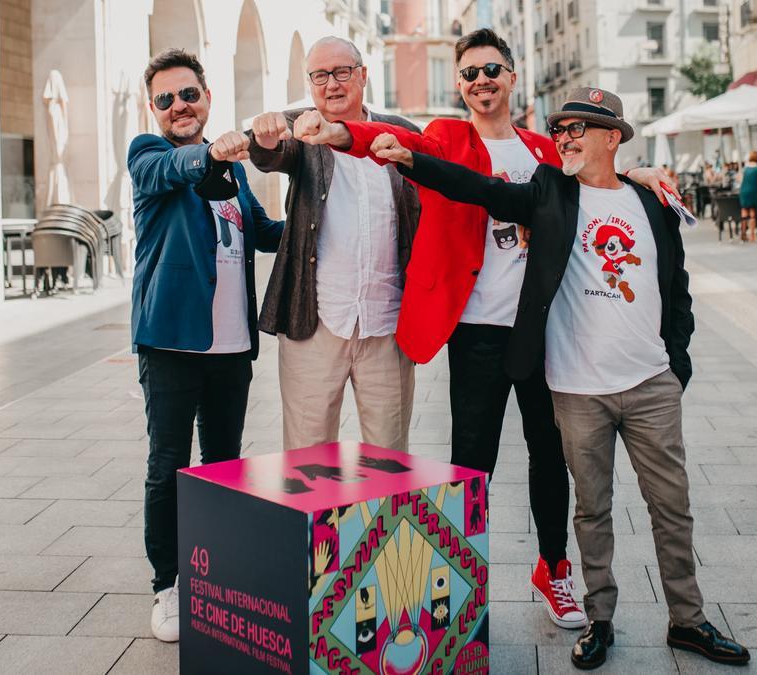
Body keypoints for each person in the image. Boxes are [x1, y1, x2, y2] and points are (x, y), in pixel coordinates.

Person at [340, 87, 751, 671]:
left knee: (672, 507)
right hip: (579, 387)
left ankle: (688, 620)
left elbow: (676, 287)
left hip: (651, 384)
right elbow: (480, 189)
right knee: (592, 508)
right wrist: (411, 160)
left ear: (614, 138)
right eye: (560, 130)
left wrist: (675, 363)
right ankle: (599, 620)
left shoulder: (650, 200)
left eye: (580, 129)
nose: (566, 138)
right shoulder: (550, 191)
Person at [288, 28, 673, 631]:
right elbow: (390, 141)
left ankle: (553, 569)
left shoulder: (545, 153)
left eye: (492, 69)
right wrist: (340, 133)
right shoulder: (445, 137)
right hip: (476, 328)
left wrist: (643, 174)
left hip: (545, 330)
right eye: (468, 73)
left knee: (552, 455)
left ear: (512, 77)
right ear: (460, 85)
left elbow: (598, 178)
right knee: (473, 461)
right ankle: (461, 580)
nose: (480, 81)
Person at [129, 48, 284, 643]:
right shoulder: (151, 154)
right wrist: (216, 149)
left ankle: (215, 576)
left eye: (187, 94)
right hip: (170, 341)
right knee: (168, 468)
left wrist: (322, 221)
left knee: (222, 465)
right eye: (165, 99)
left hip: (230, 345)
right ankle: (168, 585)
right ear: (154, 109)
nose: (178, 106)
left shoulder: (236, 174)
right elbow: (171, 172)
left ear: (207, 96)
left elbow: (264, 232)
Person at [245, 37, 421, 453]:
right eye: (320, 75)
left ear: (363, 75)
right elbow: (270, 150)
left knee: (390, 462)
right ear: (310, 83)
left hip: (388, 326)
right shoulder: (301, 128)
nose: (332, 84)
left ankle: (382, 522)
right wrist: (264, 138)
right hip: (314, 322)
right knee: (307, 461)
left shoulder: (400, 132)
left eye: (342, 72)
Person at [738, 151, 757, 241]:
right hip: (753, 191)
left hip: (744, 191)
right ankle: (752, 236)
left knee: (744, 212)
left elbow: (740, 180)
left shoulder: (745, 168)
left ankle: (743, 233)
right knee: (752, 213)